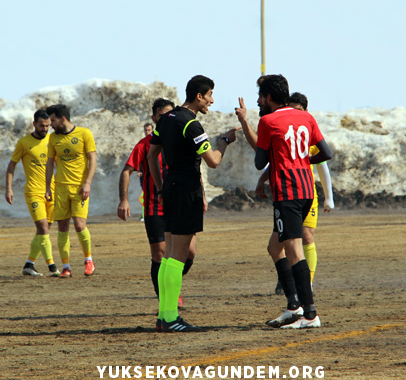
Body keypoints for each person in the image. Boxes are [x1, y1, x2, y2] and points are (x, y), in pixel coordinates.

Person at [147, 75, 238, 332]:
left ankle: (164, 316)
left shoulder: (165, 119)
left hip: (171, 187)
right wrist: (225, 142)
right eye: (210, 95)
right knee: (178, 255)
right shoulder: (191, 124)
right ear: (199, 96)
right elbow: (213, 161)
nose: (212, 100)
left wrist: (160, 186)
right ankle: (171, 318)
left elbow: (152, 156)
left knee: (168, 256)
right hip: (187, 190)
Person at [241, 75, 332, 329]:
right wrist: (302, 161)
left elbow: (260, 162)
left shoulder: (268, 121)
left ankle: (310, 314)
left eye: (260, 96)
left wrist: (281, 157)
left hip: (288, 193)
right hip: (307, 190)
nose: (258, 101)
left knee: (293, 250)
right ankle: (293, 307)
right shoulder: (307, 117)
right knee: (275, 247)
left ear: (269, 97)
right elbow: (327, 153)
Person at [117, 99, 196, 310]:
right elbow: (127, 170)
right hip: (154, 206)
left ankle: (171, 283)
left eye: (170, 115)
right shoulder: (145, 145)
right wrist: (124, 200)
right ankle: (168, 298)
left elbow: (193, 169)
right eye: (161, 116)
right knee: (160, 254)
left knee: (190, 252)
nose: (167, 120)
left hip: (179, 204)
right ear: (154, 119)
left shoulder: (180, 141)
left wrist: (202, 196)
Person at [255, 92, 334, 294]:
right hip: (288, 191)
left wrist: (329, 197)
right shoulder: (282, 128)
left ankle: (307, 285)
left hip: (304, 190)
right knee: (281, 245)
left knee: (306, 237)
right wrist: (262, 179)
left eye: (298, 110)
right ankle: (291, 285)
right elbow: (272, 162)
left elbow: (324, 164)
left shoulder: (306, 128)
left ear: (305, 111)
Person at [45, 104, 97, 278]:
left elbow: (92, 160)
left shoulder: (84, 134)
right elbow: (50, 163)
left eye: (52, 120)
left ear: (63, 119)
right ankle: (66, 266)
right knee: (62, 227)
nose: (50, 124)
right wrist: (47, 187)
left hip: (79, 188)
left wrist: (88, 183)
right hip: (60, 188)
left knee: (80, 225)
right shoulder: (53, 138)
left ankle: (88, 259)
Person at [5, 109, 59, 277]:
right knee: (42, 228)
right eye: (42, 126)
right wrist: (9, 188)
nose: (45, 129)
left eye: (48, 126)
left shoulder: (52, 140)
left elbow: (62, 164)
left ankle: (29, 264)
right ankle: (52, 267)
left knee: (44, 231)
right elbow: (11, 166)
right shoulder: (24, 143)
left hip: (51, 192)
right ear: (34, 124)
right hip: (34, 192)